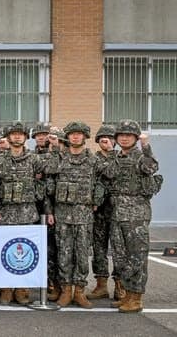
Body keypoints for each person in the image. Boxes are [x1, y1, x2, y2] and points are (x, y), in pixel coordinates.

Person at [45, 121, 103, 309]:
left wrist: (97, 201)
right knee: (64, 253)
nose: (75, 137)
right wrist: (50, 211)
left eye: (79, 134)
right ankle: (66, 291)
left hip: (84, 215)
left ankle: (79, 291)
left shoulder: (94, 160)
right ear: (67, 137)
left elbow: (102, 183)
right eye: (72, 134)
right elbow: (49, 184)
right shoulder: (60, 158)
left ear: (85, 137)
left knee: (82, 254)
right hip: (63, 215)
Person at [104, 120, 160, 313]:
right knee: (120, 257)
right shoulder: (116, 157)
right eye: (121, 135)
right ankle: (127, 293)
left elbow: (151, 169)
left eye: (129, 135)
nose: (125, 138)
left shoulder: (141, 156)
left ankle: (136, 298)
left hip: (136, 214)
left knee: (137, 256)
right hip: (117, 214)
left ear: (136, 138)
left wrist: (146, 146)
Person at [0, 121, 46, 305]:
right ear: (7, 138)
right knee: (5, 251)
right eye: (13, 134)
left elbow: (45, 181)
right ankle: (6, 288)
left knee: (26, 251)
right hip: (6, 212)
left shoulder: (34, 159)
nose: (16, 136)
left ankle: (22, 288)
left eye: (20, 134)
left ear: (25, 137)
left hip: (27, 212)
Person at [86, 124, 121, 301]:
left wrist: (113, 152)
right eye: (101, 138)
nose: (104, 141)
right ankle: (101, 286)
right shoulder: (94, 159)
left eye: (108, 138)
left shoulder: (121, 157)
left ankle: (120, 286)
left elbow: (114, 173)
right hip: (98, 211)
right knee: (99, 249)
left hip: (118, 210)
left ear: (114, 140)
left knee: (119, 249)